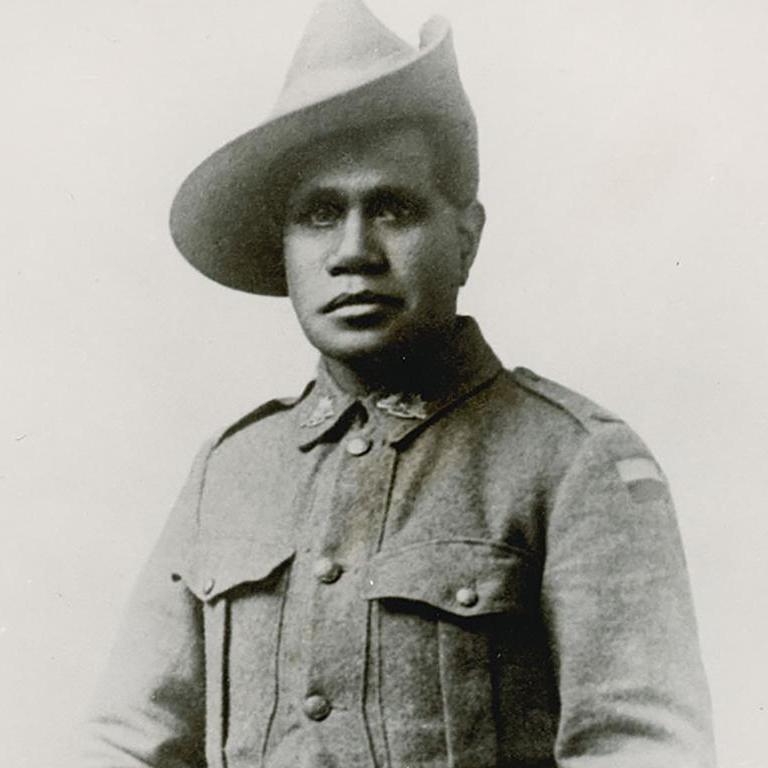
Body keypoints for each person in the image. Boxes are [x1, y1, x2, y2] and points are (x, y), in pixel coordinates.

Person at [85, 1, 716, 766]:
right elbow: (125, 744)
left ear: (465, 237)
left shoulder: (571, 461)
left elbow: (640, 749)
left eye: (392, 208)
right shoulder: (231, 472)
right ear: (283, 250)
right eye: (319, 214)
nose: (354, 251)